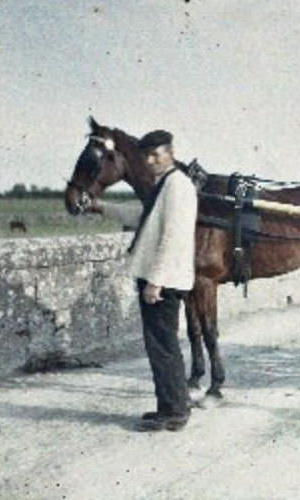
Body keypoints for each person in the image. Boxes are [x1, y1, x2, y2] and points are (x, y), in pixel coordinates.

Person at [91, 130, 198, 431]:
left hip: (164, 281)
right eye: (147, 156)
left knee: (163, 346)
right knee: (159, 346)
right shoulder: (164, 185)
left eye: (157, 154)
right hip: (161, 278)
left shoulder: (177, 186)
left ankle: (175, 412)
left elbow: (173, 237)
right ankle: (169, 407)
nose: (151, 161)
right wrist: (102, 208)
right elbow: (144, 216)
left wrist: (156, 281)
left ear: (171, 151)